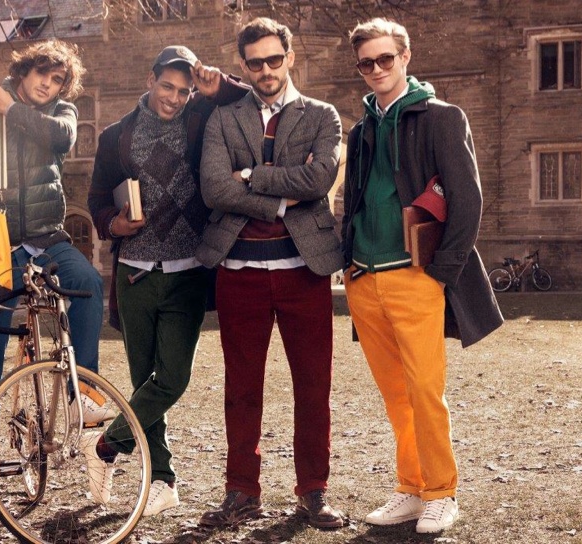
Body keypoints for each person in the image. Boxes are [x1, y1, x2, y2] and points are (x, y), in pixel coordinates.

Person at [342, 18, 503, 534]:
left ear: (405, 57)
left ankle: (441, 493)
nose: (376, 69)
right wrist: (348, 266)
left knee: (425, 392)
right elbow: (353, 201)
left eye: (385, 59)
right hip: (364, 280)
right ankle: (411, 488)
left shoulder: (443, 118)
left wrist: (441, 273)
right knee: (396, 395)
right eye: (366, 63)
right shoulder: (360, 131)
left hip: (416, 278)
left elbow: (468, 200)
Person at [0, 40, 105, 523]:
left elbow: (61, 138)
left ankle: (84, 396)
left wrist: (11, 109)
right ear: (23, 71)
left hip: (48, 240)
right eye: (42, 75)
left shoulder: (60, 113)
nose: (48, 86)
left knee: (88, 283)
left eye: (57, 80)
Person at [195, 17, 346, 530]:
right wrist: (282, 200)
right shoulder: (223, 119)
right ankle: (241, 490)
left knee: (313, 386)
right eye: (255, 62)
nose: (266, 70)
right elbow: (215, 189)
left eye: (274, 59)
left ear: (289, 58)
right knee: (242, 388)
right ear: (242, 65)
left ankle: (314, 491)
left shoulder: (322, 115)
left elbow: (319, 178)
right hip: (239, 270)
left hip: (305, 269)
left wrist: (251, 176)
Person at [85, 45, 249, 518]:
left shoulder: (200, 120)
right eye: (167, 87)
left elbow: (246, 99)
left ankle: (107, 445)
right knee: (144, 382)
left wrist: (217, 83)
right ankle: (162, 479)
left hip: (188, 272)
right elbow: (97, 198)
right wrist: (114, 224)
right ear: (151, 80)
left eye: (184, 91)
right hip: (135, 275)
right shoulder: (117, 135)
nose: (174, 99)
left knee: (172, 379)